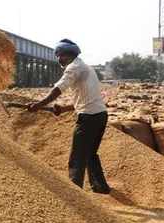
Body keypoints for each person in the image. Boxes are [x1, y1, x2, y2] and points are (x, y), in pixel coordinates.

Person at [27, 39, 110, 194]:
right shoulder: (85, 67)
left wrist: (38, 105)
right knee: (90, 154)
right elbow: (85, 98)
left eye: (63, 55)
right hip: (100, 115)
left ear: (72, 54)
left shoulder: (74, 67)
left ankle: (75, 196)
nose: (60, 58)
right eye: (58, 55)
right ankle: (101, 188)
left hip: (89, 117)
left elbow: (59, 88)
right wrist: (64, 108)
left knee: (77, 158)